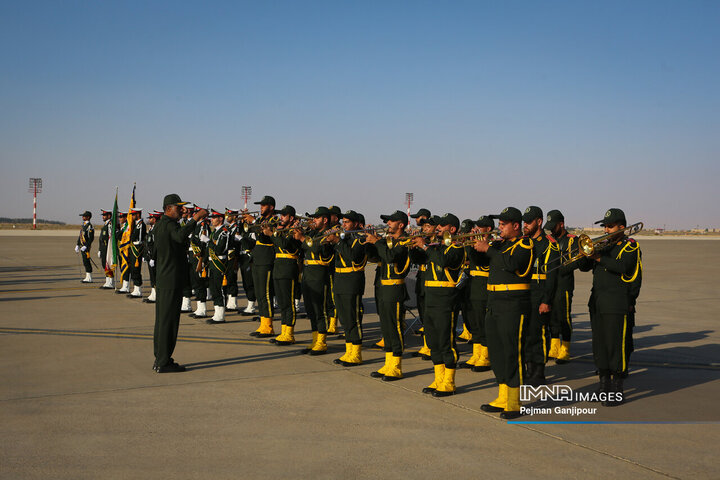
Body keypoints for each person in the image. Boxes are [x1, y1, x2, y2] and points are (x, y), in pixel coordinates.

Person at [569, 208, 641, 406]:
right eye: (605, 226)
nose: (607, 230)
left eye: (610, 226)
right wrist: (585, 253)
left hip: (616, 302)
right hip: (598, 302)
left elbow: (624, 266)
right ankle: (603, 386)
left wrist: (598, 257)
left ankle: (617, 389)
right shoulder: (604, 246)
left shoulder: (630, 246)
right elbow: (584, 267)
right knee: (599, 345)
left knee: (615, 346)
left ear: (621, 227)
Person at [475, 207, 533, 419]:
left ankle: (514, 401)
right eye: (499, 224)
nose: (499, 228)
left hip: (513, 304)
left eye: (503, 224)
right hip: (494, 302)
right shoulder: (499, 245)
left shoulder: (524, 244)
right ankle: (502, 395)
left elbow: (512, 264)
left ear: (515, 226)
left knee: (512, 352)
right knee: (497, 351)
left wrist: (488, 249)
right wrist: (477, 247)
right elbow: (481, 261)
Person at [412, 213, 466, 397]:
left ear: (452, 229)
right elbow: (417, 259)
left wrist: (425, 246)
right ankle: (439, 377)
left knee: (446, 341)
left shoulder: (456, 248)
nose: (439, 228)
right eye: (438, 226)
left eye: (443, 226)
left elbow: (442, 261)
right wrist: (414, 246)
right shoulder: (435, 247)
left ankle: (449, 381)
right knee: (434, 342)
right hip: (430, 298)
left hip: (445, 299)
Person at [153, 194, 207, 373]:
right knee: (168, 322)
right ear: (169, 208)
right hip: (171, 280)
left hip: (165, 278)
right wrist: (195, 218)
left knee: (162, 321)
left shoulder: (161, 224)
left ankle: (160, 357)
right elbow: (179, 237)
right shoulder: (168, 225)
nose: (183, 210)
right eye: (179, 207)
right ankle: (163, 361)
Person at [364, 210, 411, 381]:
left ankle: (396, 366)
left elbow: (391, 257)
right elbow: (374, 257)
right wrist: (369, 242)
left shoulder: (405, 241)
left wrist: (377, 241)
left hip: (395, 289)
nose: (387, 224)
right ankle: (388, 363)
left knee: (396, 328)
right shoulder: (387, 241)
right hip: (383, 288)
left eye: (391, 222)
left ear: (401, 224)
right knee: (386, 327)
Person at [521, 206, 560, 386]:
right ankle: (528, 368)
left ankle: (538, 371)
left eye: (529, 221)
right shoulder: (524, 241)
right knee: (526, 334)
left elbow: (552, 277)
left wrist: (546, 300)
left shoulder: (550, 243)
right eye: (524, 222)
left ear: (539, 222)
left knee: (538, 334)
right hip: (524, 294)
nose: (525, 225)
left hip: (539, 293)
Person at [326, 210, 367, 366]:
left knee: (353, 319)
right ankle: (348, 351)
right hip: (340, 280)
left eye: (347, 222)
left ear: (356, 224)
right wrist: (329, 240)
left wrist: (337, 241)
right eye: (343, 222)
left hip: (352, 281)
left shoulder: (360, 238)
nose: (344, 225)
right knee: (344, 318)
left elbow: (352, 256)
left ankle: (356, 353)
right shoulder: (344, 238)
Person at [294, 207, 335, 354]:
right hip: (308, 273)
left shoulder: (329, 233)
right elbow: (305, 246)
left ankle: (322, 342)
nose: (313, 220)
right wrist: (301, 232)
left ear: (324, 220)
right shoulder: (314, 232)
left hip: (319, 273)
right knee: (311, 310)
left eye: (317, 218)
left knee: (319, 310)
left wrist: (302, 238)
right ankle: (314, 339)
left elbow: (316, 247)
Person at [460, 215, 494, 372]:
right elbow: (467, 257)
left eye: (480, 227)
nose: (477, 228)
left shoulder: (493, 244)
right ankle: (476, 354)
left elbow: (480, 260)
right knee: (472, 320)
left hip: (483, 285)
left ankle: (486, 357)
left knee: (482, 321)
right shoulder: (475, 242)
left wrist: (476, 244)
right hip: (471, 284)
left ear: (488, 229)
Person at [266, 205, 303, 344]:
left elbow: (285, 244)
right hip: (279, 268)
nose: (280, 218)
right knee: (282, 303)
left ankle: (290, 334)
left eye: (283, 216)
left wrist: (273, 234)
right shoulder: (282, 230)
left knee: (289, 303)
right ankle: (283, 332)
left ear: (291, 217)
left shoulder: (295, 230)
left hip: (288, 268)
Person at [544, 210, 576, 363]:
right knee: (552, 317)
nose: (551, 229)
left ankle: (566, 348)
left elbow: (577, 261)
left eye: (553, 226)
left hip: (564, 283)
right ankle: (554, 346)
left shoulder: (571, 240)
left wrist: (559, 267)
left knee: (564, 317)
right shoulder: (549, 240)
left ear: (561, 224)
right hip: (550, 282)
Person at [243, 195, 278, 337]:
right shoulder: (262, 219)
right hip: (258, 258)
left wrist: (254, 221)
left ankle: (268, 326)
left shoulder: (274, 219)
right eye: (261, 205)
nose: (261, 208)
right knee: (259, 292)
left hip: (266, 258)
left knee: (266, 293)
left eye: (264, 205)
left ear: (271, 207)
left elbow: (268, 234)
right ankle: (263, 324)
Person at [206, 209, 231, 324]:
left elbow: (220, 249)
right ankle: (217, 313)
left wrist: (208, 242)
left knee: (219, 289)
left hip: (219, 263)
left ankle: (220, 315)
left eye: (214, 218)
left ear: (220, 219)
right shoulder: (215, 232)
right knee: (214, 288)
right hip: (212, 263)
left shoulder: (224, 232)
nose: (212, 220)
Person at [188, 207, 211, 319]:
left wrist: (193, 239)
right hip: (193, 256)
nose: (194, 214)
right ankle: (199, 308)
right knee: (195, 282)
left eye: (196, 213)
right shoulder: (196, 225)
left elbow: (203, 243)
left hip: (199, 257)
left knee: (200, 283)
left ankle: (202, 309)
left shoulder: (203, 226)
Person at [127, 207, 146, 298]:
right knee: (133, 270)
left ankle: (138, 290)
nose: (133, 216)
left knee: (136, 269)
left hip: (138, 248)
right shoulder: (135, 224)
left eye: (134, 214)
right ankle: (135, 288)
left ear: (138, 214)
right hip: (133, 247)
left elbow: (141, 239)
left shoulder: (142, 225)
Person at [143, 211, 162, 303]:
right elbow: (147, 243)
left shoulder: (157, 229)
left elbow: (156, 245)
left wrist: (153, 258)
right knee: (152, 276)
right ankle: (153, 293)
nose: (149, 220)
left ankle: (156, 295)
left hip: (155, 257)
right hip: (150, 255)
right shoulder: (151, 229)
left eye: (150, 218)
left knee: (155, 276)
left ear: (154, 219)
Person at [76, 211, 95, 283]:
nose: (82, 217)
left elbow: (91, 238)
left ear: (88, 217)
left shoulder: (90, 226)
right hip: (82, 246)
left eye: (84, 216)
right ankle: (87, 276)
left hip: (86, 246)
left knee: (87, 261)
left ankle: (89, 277)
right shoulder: (83, 225)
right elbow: (80, 235)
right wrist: (77, 244)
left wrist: (86, 246)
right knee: (84, 261)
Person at [98, 209, 115, 289]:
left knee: (108, 263)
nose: (103, 217)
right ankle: (107, 281)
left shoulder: (110, 224)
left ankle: (111, 282)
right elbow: (101, 238)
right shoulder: (106, 224)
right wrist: (100, 249)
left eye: (104, 215)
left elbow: (110, 237)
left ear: (109, 216)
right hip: (103, 247)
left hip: (108, 247)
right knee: (104, 264)